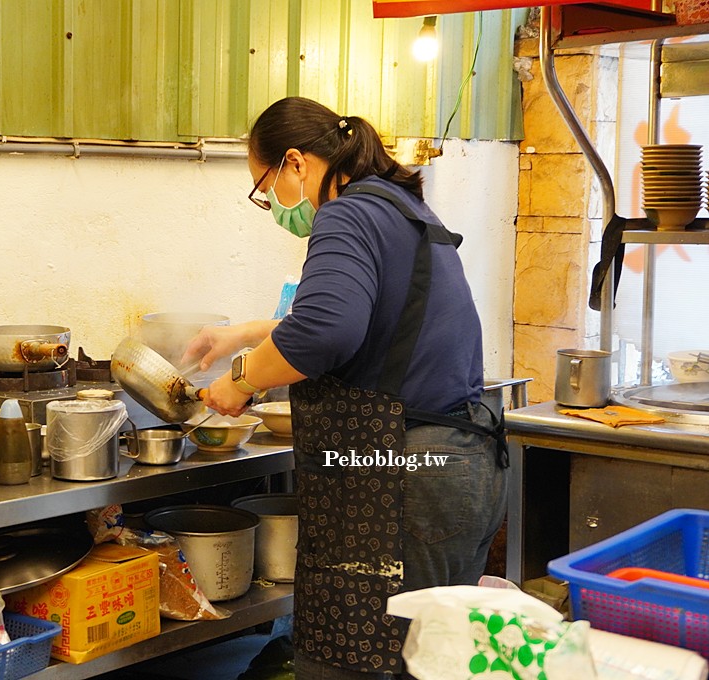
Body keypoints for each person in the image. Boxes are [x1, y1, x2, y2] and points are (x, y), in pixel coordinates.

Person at [181, 96, 508, 679]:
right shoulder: (400, 207)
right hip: (458, 464)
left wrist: (240, 381)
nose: (276, 204)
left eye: (265, 187)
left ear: (295, 163)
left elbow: (325, 333)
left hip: (408, 481)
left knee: (361, 663)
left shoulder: (347, 214)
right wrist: (250, 334)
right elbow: (372, 322)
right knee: (427, 663)